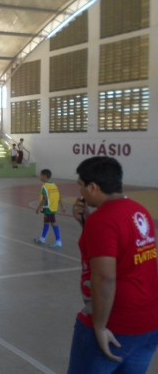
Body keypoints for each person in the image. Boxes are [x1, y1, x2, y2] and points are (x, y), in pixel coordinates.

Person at [68, 157, 158, 373]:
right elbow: (120, 253)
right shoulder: (139, 211)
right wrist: (86, 224)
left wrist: (99, 327)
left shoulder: (103, 220)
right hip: (149, 325)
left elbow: (105, 277)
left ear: (93, 186)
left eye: (81, 185)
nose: (80, 191)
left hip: (116, 325)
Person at [33, 169, 66, 248]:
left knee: (53, 223)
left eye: (41, 175)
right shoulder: (54, 185)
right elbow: (59, 196)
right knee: (46, 221)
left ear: (44, 176)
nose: (40, 177)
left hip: (48, 208)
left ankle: (58, 241)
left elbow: (45, 198)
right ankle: (42, 238)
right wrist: (62, 206)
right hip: (53, 206)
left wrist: (39, 208)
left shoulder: (45, 186)